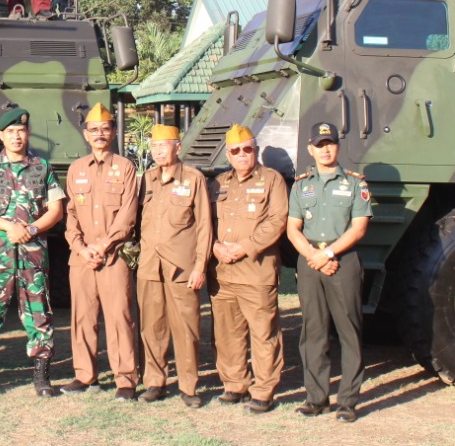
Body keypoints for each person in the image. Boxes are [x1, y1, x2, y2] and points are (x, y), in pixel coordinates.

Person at [0, 108, 66, 397]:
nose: (16, 136)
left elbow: (56, 210)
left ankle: (42, 377)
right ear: (1, 135)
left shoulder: (42, 167)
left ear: (27, 132)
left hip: (32, 258)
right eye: (10, 132)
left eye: (21, 131)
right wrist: (9, 227)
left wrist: (32, 229)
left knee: (39, 315)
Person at [287, 122, 373, 423]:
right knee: (313, 332)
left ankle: (348, 401)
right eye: (319, 144)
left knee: (348, 331)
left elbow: (359, 227)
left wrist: (328, 253)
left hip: (343, 261)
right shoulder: (301, 185)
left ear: (338, 146)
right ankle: (316, 397)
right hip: (310, 262)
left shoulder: (355, 184)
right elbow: (293, 228)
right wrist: (314, 255)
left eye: (330, 143)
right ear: (310, 148)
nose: (325, 148)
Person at [207, 124, 288, 414]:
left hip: (256, 270)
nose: (242, 155)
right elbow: (206, 222)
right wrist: (214, 246)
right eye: (235, 151)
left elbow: (277, 220)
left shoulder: (271, 180)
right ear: (228, 154)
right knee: (227, 333)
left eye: (248, 149)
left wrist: (244, 247)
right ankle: (235, 384)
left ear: (255, 149)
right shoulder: (218, 183)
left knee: (263, 333)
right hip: (223, 273)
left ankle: (264, 390)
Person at [61, 103, 139, 400]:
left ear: (114, 131)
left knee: (119, 317)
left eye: (105, 129)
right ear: (85, 134)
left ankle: (125, 380)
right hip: (81, 258)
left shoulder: (125, 167)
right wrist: (80, 248)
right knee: (83, 317)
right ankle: (85, 375)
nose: (99, 134)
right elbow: (70, 215)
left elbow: (128, 213)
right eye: (94, 130)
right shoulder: (76, 168)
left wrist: (104, 245)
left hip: (113, 256)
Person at [137, 123, 211, 408]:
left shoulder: (193, 178)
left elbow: (204, 225)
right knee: (152, 328)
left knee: (186, 328)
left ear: (177, 147)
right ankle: (154, 382)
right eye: (154, 147)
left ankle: (188, 386)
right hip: (150, 267)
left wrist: (199, 266)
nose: (158, 151)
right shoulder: (147, 179)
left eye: (163, 146)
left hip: (182, 267)